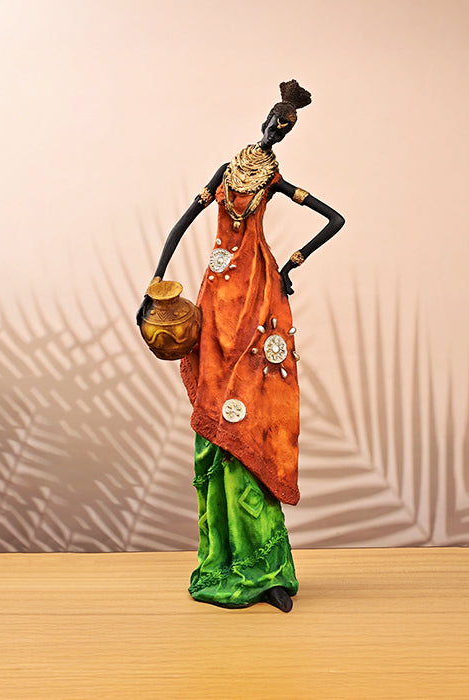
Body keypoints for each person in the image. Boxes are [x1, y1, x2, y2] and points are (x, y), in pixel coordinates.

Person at [137, 80, 345, 612]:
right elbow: (182, 224)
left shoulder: (272, 178)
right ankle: (224, 558)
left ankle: (269, 570)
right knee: (217, 408)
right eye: (274, 120)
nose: (276, 129)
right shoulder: (228, 171)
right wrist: (155, 286)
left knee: (255, 410)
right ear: (264, 120)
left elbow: (335, 220)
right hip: (217, 294)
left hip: (259, 291)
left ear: (289, 132)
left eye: (285, 126)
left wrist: (291, 263)